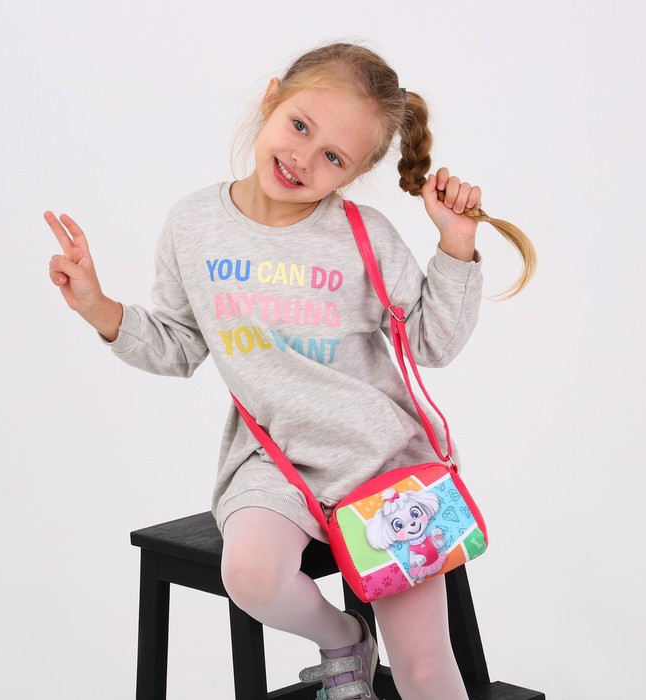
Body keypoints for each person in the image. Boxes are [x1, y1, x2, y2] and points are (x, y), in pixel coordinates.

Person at [45, 41, 534, 700]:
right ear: (271, 98)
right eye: (300, 125)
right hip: (272, 460)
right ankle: (344, 638)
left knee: (423, 667)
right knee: (251, 575)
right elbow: (179, 346)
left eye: (333, 157)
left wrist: (455, 245)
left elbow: (432, 345)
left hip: (380, 459)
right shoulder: (193, 224)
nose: (304, 158)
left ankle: (376, 647)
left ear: (355, 172)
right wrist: (97, 307)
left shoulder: (363, 234)